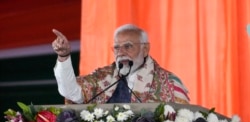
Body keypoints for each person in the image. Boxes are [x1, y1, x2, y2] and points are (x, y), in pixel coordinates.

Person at [52, 24, 190, 104]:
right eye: (117, 47)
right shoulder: (102, 77)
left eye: (128, 46)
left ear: (145, 49)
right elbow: (72, 93)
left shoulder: (170, 83)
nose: (121, 52)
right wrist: (63, 57)